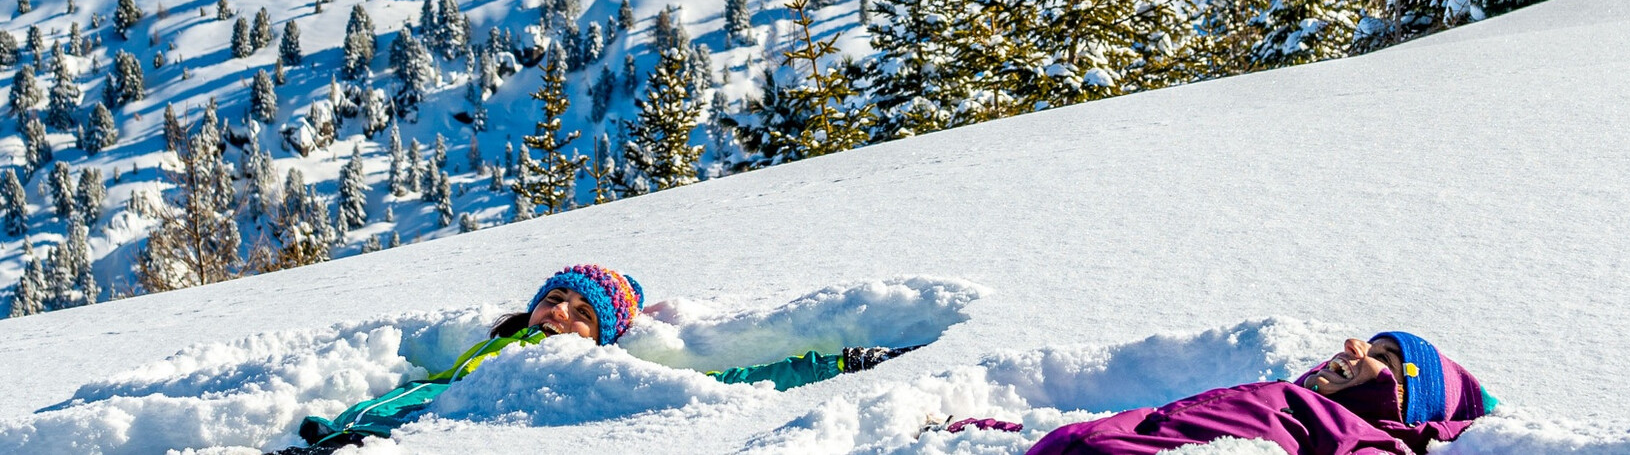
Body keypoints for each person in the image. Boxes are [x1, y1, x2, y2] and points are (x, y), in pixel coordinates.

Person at [267, 264, 920, 454]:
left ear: (603, 339)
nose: (561, 315)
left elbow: (724, 379)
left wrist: (830, 363)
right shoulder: (496, 345)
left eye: (584, 313)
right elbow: (420, 391)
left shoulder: (592, 375)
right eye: (555, 300)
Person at [1021, 331, 1497, 455]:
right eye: (1366, 343)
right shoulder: (1290, 397)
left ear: (1400, 401)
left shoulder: (1362, 438)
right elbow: (1144, 423)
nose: (1353, 348)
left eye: (1384, 359)